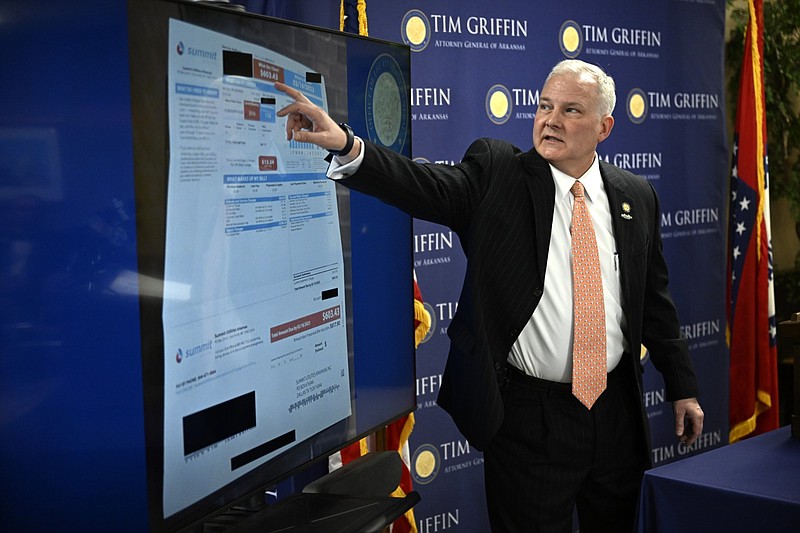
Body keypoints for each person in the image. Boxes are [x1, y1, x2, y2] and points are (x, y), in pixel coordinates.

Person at [275, 59, 704, 532]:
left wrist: (682, 385)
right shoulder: (500, 174)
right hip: (529, 422)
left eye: (571, 110)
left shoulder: (635, 195)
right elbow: (425, 186)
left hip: (616, 413)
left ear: (605, 126)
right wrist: (347, 145)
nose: (551, 120)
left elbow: (654, 302)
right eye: (544, 106)